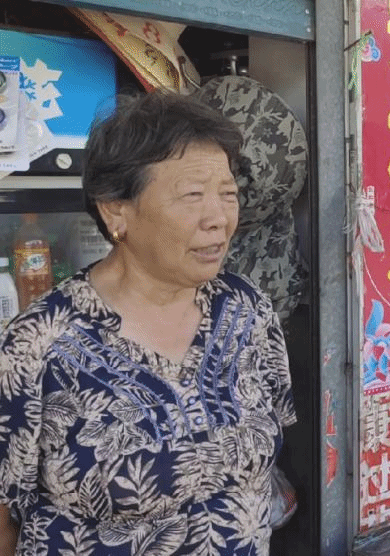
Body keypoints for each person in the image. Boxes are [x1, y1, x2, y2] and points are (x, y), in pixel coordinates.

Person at [0, 91, 296, 555]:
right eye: (192, 195)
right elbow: (4, 516)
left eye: (228, 194)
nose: (218, 219)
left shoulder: (247, 309)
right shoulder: (37, 343)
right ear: (115, 209)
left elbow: (270, 447)